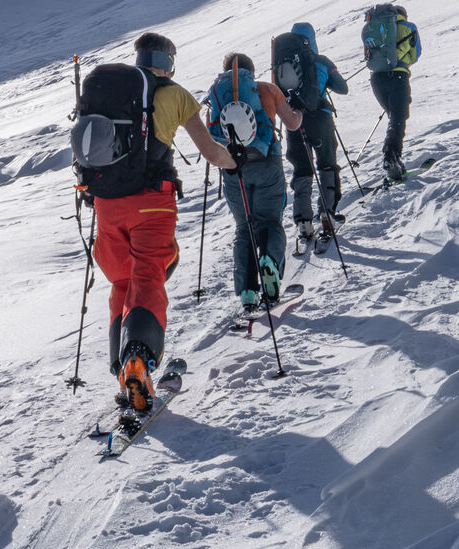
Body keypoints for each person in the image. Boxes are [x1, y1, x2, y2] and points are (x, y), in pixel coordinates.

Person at [80, 32, 235, 412]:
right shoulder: (175, 94)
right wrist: (236, 161)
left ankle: (125, 372)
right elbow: (210, 152)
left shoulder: (111, 93)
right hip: (152, 203)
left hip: (106, 205)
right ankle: (139, 359)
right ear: (168, 61)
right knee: (148, 275)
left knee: (123, 281)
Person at [205, 52, 302, 316]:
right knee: (270, 221)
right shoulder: (267, 89)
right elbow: (292, 124)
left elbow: (211, 135)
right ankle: (270, 263)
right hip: (266, 162)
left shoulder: (216, 95)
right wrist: (300, 111)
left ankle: (248, 291)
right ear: (252, 71)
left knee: (244, 227)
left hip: (233, 168)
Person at [274, 22, 349, 252]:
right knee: (327, 165)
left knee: (302, 170)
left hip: (294, 122)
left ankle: (304, 223)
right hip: (321, 120)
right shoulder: (321, 61)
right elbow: (342, 88)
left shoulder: (280, 63)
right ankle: (327, 215)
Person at [361, 3, 422, 182]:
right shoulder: (408, 27)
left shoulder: (378, 29)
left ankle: (394, 158)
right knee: (398, 118)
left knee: (394, 118)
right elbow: (415, 54)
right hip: (398, 77)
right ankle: (391, 158)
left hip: (376, 80)